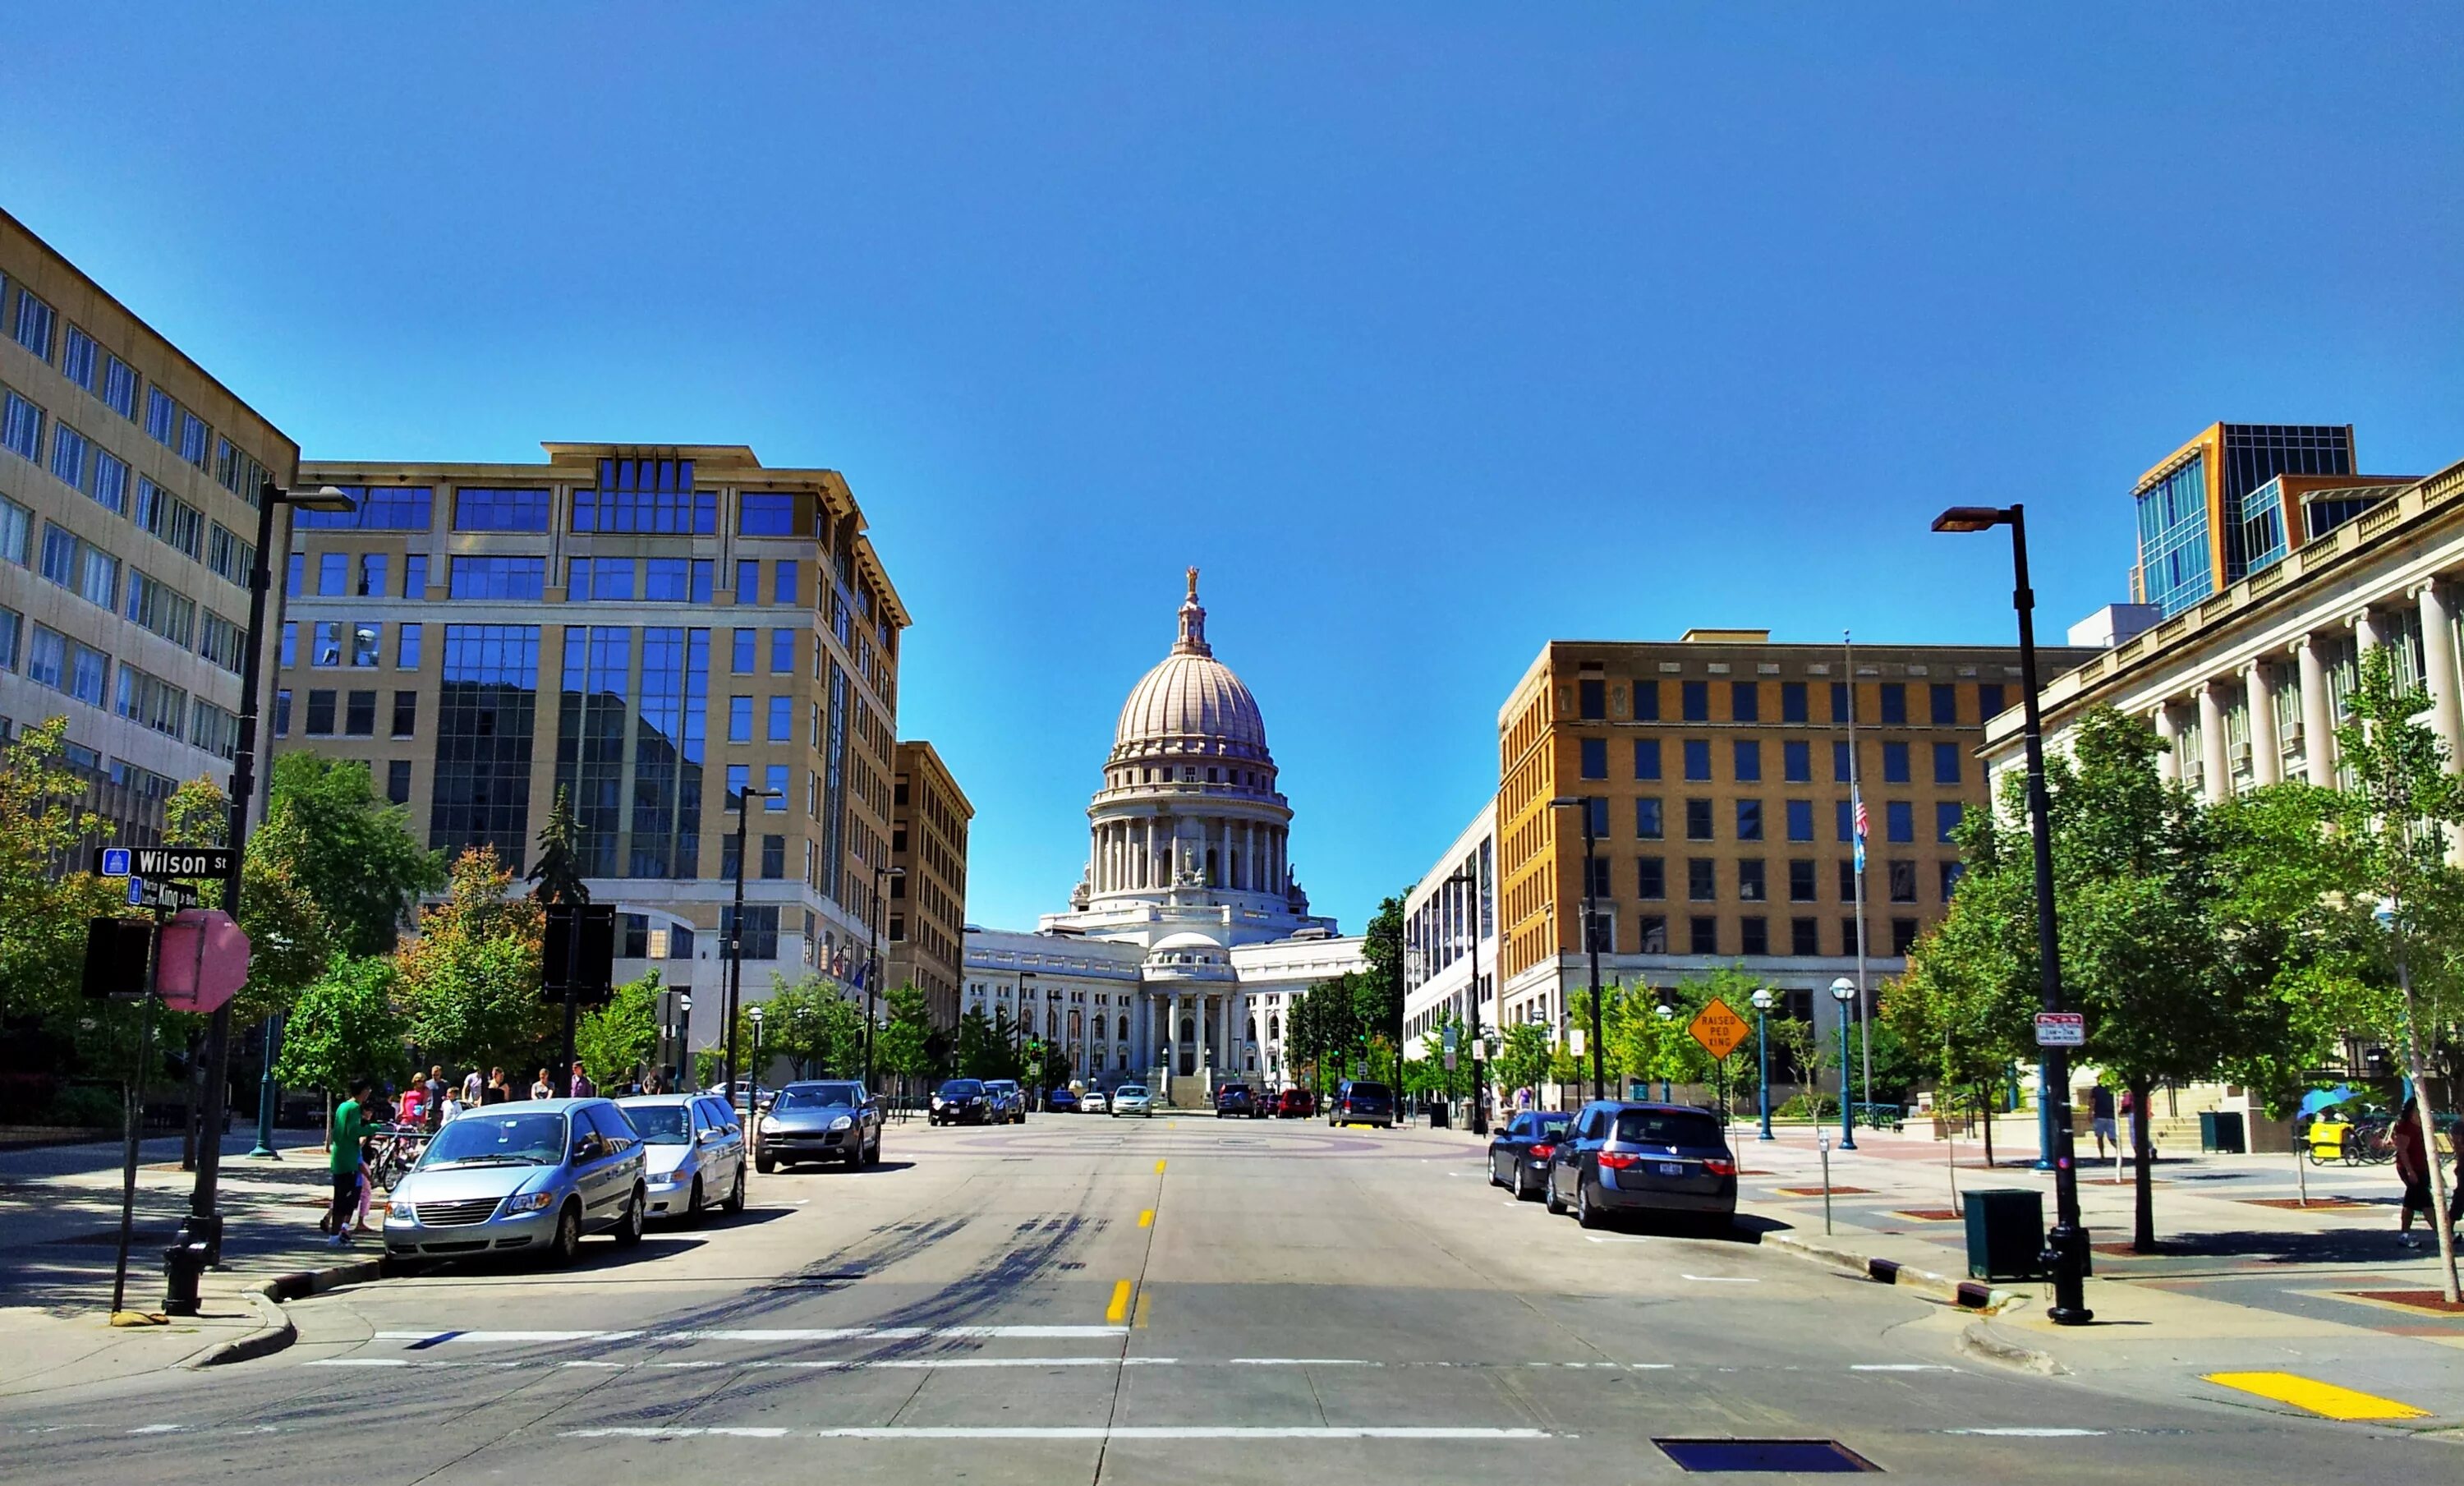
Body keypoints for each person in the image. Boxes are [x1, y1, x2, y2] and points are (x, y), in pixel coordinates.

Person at [326, 1079, 375, 1247]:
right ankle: (335, 1238)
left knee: (340, 1198)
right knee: (344, 1201)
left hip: (339, 1158)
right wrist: (371, 1128)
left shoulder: (342, 1106)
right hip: (348, 1160)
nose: (369, 1092)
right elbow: (353, 1132)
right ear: (362, 1091)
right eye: (368, 1089)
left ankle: (336, 1236)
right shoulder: (354, 1108)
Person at [2394, 1096, 2443, 1248]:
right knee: (2423, 1202)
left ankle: (2405, 1234)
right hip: (2410, 1168)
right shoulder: (2406, 1127)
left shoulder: (2422, 1126)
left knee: (2415, 1202)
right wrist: (2410, 1171)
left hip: (2422, 1167)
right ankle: (2443, 1235)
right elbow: (2402, 1150)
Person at [2089, 1083, 2117, 1161]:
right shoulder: (2112, 1089)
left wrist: (2090, 1113)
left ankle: (2102, 1155)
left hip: (2099, 1116)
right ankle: (2119, 1151)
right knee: (2112, 1138)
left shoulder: (2095, 1090)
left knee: (2099, 1137)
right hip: (2111, 1116)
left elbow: (2092, 1102)